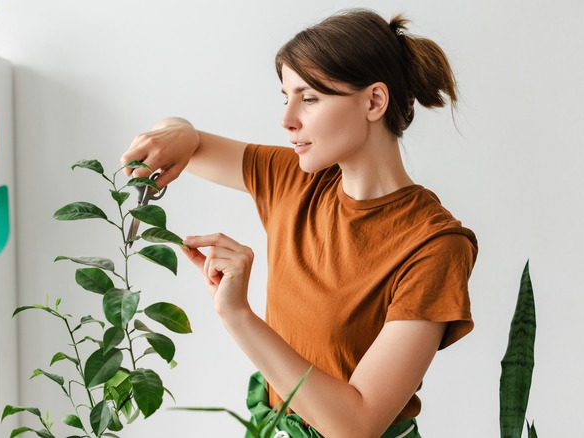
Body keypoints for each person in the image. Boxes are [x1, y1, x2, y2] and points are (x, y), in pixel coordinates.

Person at [120, 8, 477, 438]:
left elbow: (356, 425)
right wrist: (177, 129)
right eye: (285, 97)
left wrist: (236, 314)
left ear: (374, 101)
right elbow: (184, 142)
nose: (287, 119)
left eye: (309, 98)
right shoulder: (295, 179)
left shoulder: (435, 244)